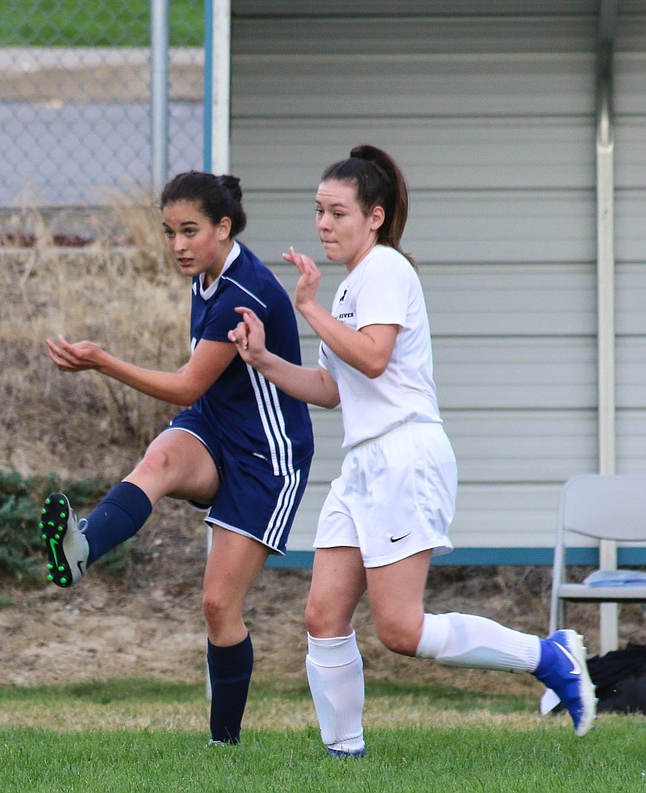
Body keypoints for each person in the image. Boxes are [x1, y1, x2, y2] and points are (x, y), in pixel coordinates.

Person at [228, 144, 597, 757]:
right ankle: (344, 754)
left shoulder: (388, 270)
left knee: (401, 629)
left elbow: (371, 357)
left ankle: (548, 655)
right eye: (319, 211)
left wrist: (309, 309)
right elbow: (329, 389)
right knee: (323, 615)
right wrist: (264, 358)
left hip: (406, 456)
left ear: (374, 217)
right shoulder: (348, 288)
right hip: (363, 466)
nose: (324, 224)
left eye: (338, 212)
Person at [39, 170, 314, 745]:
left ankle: (224, 744)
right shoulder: (208, 275)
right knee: (158, 463)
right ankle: (82, 544)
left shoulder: (244, 292)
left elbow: (188, 385)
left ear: (223, 226)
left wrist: (104, 362)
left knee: (218, 606)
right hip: (215, 426)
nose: (177, 245)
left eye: (189, 231)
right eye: (168, 232)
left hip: (268, 458)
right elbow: (202, 396)